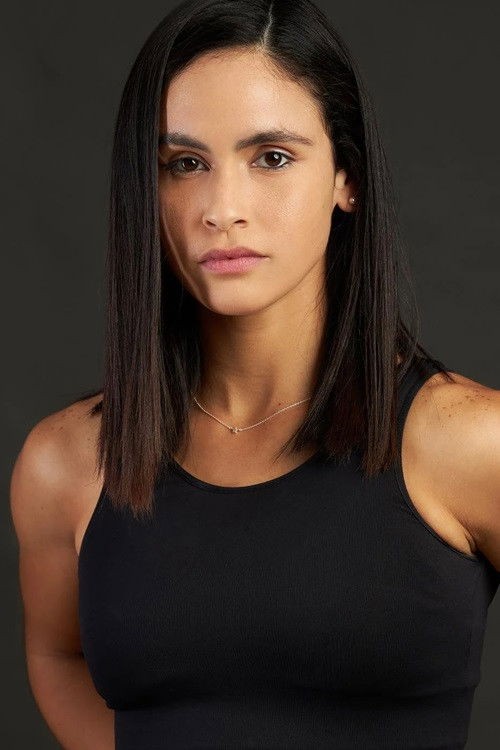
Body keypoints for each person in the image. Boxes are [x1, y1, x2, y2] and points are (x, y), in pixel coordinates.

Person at [9, 0, 500, 748]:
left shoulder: (470, 442)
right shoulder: (67, 462)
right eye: (185, 164)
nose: (222, 209)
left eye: (271, 157)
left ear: (347, 177)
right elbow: (57, 655)